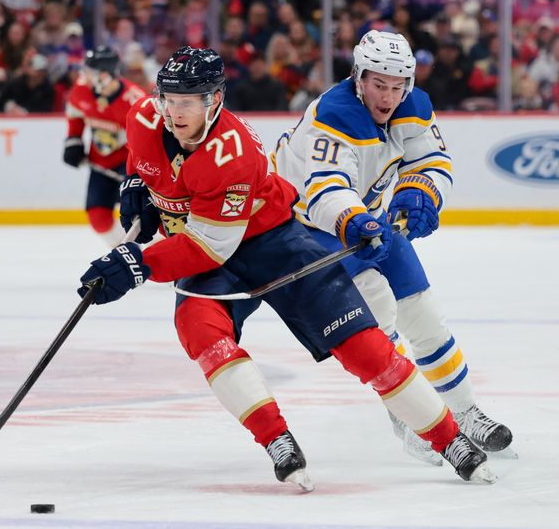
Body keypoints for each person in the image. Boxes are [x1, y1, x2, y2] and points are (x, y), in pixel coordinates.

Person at [76, 46, 497, 490]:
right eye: (168, 99)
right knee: (200, 331)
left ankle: (449, 439)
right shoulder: (144, 115)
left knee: (363, 345)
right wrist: (137, 183)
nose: (173, 112)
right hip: (208, 243)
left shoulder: (232, 153)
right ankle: (276, 438)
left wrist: (138, 263)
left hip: (272, 240)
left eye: (187, 102)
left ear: (214, 100)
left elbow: (208, 247)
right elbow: (145, 161)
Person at [271, 30, 514, 465]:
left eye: (397, 85)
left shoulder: (414, 106)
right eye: (378, 84)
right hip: (311, 226)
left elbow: (432, 161)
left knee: (423, 313)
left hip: (369, 215)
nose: (388, 96)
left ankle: (464, 410)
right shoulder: (334, 112)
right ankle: (409, 414)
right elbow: (325, 187)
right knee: (379, 310)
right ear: (358, 78)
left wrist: (422, 191)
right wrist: (354, 220)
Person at [63, 45, 146, 246]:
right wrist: (73, 139)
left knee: (141, 216)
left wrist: (140, 169)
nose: (86, 76)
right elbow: (75, 113)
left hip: (130, 166)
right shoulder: (82, 90)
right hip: (100, 163)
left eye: (92, 72)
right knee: (98, 218)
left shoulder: (135, 101)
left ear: (107, 74)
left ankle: (159, 254)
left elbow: (149, 139)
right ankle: (126, 253)